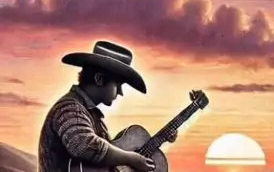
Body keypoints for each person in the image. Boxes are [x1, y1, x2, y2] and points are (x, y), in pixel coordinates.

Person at [38, 40, 177, 172]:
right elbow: (84, 146)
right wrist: (131, 159)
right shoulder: (69, 109)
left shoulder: (90, 115)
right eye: (118, 85)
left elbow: (106, 159)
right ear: (99, 79)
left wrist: (159, 140)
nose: (121, 92)